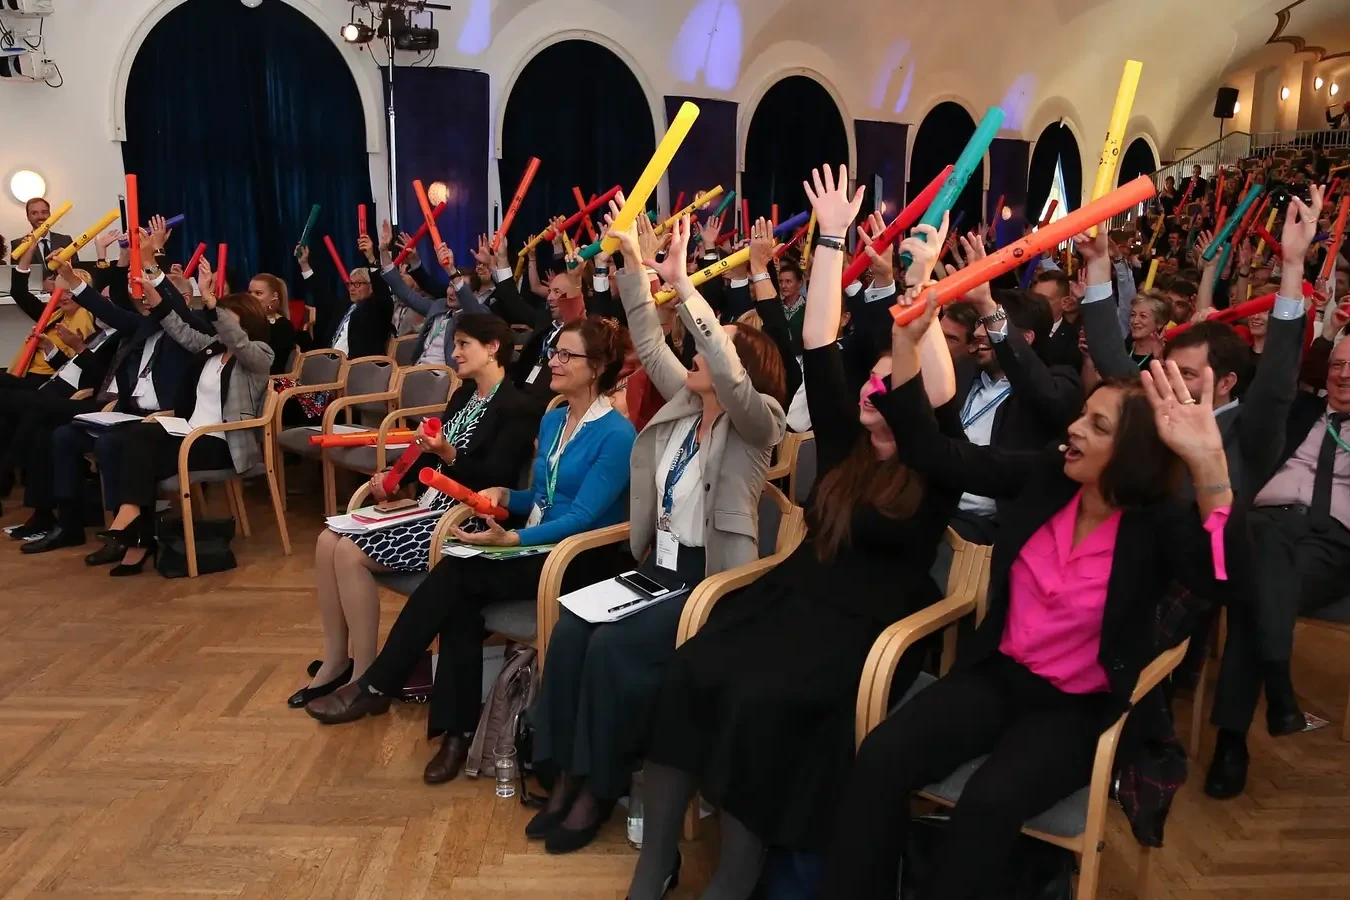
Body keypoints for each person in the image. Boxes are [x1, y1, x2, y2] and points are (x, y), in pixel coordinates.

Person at [822, 293, 1245, 898]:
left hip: (1074, 707)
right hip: (997, 675)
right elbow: (939, 456)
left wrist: (1209, 466)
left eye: (1096, 426)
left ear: (1132, 452)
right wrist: (910, 348)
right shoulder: (1052, 473)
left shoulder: (1159, 522)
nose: (1072, 427)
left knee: (988, 805)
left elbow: (1225, 581)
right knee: (881, 757)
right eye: (1082, 415)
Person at [625, 166, 960, 900]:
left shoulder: (936, 465)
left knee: (758, 703)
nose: (873, 395)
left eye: (888, 386)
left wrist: (921, 297)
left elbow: (939, 390)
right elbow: (817, 339)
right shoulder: (842, 442)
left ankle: (737, 879)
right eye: (869, 383)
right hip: (792, 595)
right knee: (691, 669)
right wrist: (832, 240)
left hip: (865, 628)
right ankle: (655, 863)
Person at [527, 205, 788, 857]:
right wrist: (637, 271)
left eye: (711, 346)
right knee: (573, 630)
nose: (695, 355)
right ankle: (561, 773)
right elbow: (647, 341)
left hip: (708, 587)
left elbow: (726, 370)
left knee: (613, 651)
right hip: (658, 570)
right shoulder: (685, 401)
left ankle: (598, 789)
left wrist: (693, 292)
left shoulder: (759, 426)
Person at [304, 316, 636, 788]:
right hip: (539, 544)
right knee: (458, 600)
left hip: (579, 558)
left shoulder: (618, 435)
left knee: (456, 576)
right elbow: (543, 497)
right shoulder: (557, 416)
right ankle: (456, 733)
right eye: (554, 352)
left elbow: (581, 518)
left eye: (567, 355)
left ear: (599, 366)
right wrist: (507, 496)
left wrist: (514, 538)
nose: (553, 362)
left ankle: (379, 683)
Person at [290, 313, 539, 709]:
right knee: (326, 540)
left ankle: (366, 677)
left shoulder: (518, 406)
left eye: (463, 345)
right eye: (454, 344)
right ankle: (337, 659)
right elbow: (430, 466)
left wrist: (446, 453)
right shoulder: (463, 396)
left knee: (349, 553)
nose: (453, 353)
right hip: (430, 506)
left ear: (493, 348)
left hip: (464, 517)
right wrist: (396, 481)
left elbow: (494, 477)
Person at [1205, 188, 1349, 799]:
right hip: (1263, 527)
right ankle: (1274, 701)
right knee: (1262, 553)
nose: (1342, 375)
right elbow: (1288, 356)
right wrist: (1293, 270)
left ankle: (1235, 738)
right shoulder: (1298, 411)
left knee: (1257, 587)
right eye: (1338, 366)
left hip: (1331, 543)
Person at [83, 278, 275, 574]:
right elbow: (180, 330)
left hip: (223, 443)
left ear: (245, 321)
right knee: (130, 441)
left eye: (226, 316)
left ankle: (131, 530)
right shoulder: (213, 348)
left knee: (142, 446)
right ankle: (135, 534)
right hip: (190, 433)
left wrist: (212, 304)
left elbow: (238, 342)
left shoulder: (259, 354)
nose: (217, 322)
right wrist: (157, 299)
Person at [21, 254, 197, 555]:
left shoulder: (190, 332)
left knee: (109, 445)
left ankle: (124, 529)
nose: (142, 299)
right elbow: (106, 309)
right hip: (125, 412)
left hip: (160, 419)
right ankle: (68, 523)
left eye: (150, 293)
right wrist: (72, 280)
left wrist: (154, 267)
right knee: (63, 436)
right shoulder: (142, 326)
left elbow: (177, 310)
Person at [5, 235, 95, 384]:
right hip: (25, 374)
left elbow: (78, 370)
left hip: (48, 382)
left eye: (70, 292)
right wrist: (29, 251)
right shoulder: (53, 314)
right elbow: (18, 292)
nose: (64, 297)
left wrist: (49, 347)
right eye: (60, 291)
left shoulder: (90, 317)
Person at [246, 271, 298, 375]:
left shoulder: (283, 327)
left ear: (273, 297)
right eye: (250, 292)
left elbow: (264, 360)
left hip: (268, 382)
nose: (251, 297)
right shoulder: (246, 320)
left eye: (258, 293)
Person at [1029, 268, 1082, 370]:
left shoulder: (1075, 341)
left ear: (1065, 303)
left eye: (1043, 300)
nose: (1035, 304)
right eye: (1034, 298)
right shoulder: (1019, 330)